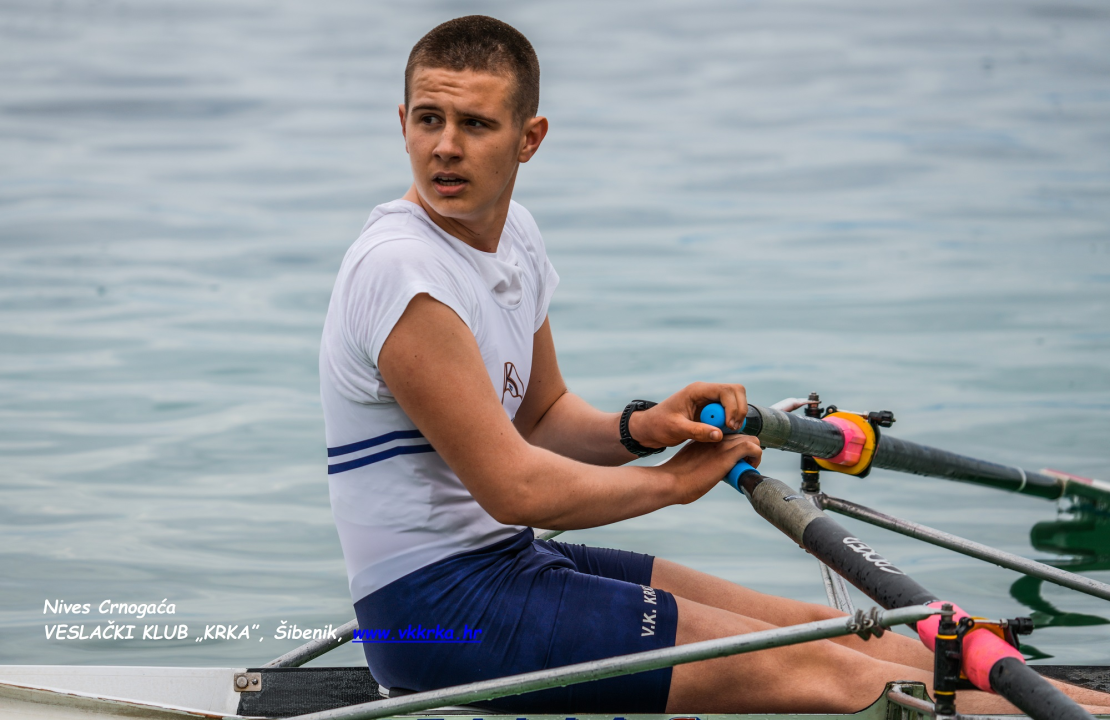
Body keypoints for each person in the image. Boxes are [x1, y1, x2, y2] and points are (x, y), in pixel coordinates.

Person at [319, 15, 1110, 715]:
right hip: (437, 612)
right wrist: (671, 482)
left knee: (817, 627)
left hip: (510, 562)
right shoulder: (401, 271)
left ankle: (1083, 706)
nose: (445, 147)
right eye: (428, 119)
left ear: (530, 138)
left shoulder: (513, 236)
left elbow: (543, 418)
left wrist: (642, 427)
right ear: (401, 122)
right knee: (842, 676)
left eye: (475, 124)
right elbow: (515, 485)